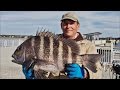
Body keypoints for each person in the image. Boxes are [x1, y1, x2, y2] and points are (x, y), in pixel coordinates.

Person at [22, 12, 102, 79]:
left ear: (78, 26)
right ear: (61, 25)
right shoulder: (52, 41)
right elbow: (44, 70)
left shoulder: (88, 45)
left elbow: (99, 73)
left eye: (71, 23)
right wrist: (33, 74)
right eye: (65, 23)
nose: (68, 26)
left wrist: (84, 73)